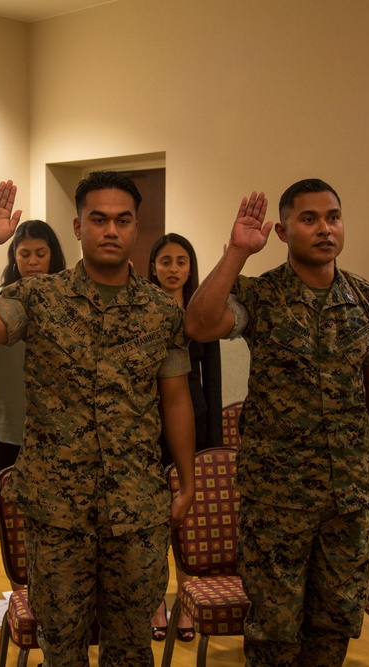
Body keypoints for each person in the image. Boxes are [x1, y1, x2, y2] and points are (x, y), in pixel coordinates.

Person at [0, 173, 196, 666]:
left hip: (136, 508)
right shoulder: (39, 298)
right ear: (79, 226)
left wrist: (185, 480)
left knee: (129, 648)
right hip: (57, 511)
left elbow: (176, 400)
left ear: (136, 228)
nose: (110, 230)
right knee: (62, 646)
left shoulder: (160, 312)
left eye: (122, 220)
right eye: (98, 220)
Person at [185, 179, 369, 666]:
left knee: (334, 622)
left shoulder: (368, 302)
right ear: (282, 231)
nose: (325, 228)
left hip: (348, 492)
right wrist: (237, 253)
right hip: (276, 494)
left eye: (333, 217)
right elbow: (199, 324)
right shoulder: (260, 296)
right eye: (310, 218)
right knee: (275, 630)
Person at [145, 232, 222, 642]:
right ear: (153, 267)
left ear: (191, 268)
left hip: (196, 418)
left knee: (189, 520)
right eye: (165, 261)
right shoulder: (141, 310)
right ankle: (156, 601)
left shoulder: (201, 310)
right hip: (148, 424)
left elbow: (212, 377)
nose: (173, 269)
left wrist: (213, 440)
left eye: (181, 261)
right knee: (157, 517)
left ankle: (186, 599)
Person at [0, 220, 67, 476]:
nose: (33, 261)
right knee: (9, 510)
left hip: (57, 429)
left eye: (40, 254)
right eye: (25, 254)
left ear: (52, 256)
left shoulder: (68, 299)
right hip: (5, 427)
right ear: (14, 258)